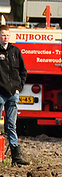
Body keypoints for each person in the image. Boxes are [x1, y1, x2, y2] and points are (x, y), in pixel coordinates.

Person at [0, 25, 29, 166]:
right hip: (0, 94)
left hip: (13, 94)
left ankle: (16, 156)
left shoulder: (15, 51)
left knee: (11, 125)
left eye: (7, 35)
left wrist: (19, 88)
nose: (5, 37)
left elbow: (23, 71)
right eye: (3, 35)